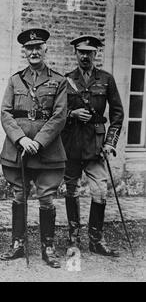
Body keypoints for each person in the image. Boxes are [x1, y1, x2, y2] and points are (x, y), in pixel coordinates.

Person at [0, 28, 67, 268]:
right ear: (24, 52)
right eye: (30, 48)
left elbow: (60, 116)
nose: (34, 52)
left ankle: (48, 246)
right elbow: (5, 113)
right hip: (19, 150)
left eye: (38, 47)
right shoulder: (15, 80)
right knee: (19, 195)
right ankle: (18, 243)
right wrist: (20, 139)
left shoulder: (58, 81)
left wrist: (38, 141)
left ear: (45, 49)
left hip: (47, 151)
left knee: (47, 199)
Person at [61, 35, 124, 256]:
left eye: (89, 52)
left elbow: (117, 114)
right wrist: (72, 113)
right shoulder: (66, 80)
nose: (85, 56)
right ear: (75, 53)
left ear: (95, 54)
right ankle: (73, 237)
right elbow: (56, 113)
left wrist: (110, 142)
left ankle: (96, 240)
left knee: (100, 191)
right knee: (72, 191)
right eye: (81, 52)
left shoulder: (106, 79)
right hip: (72, 146)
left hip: (96, 147)